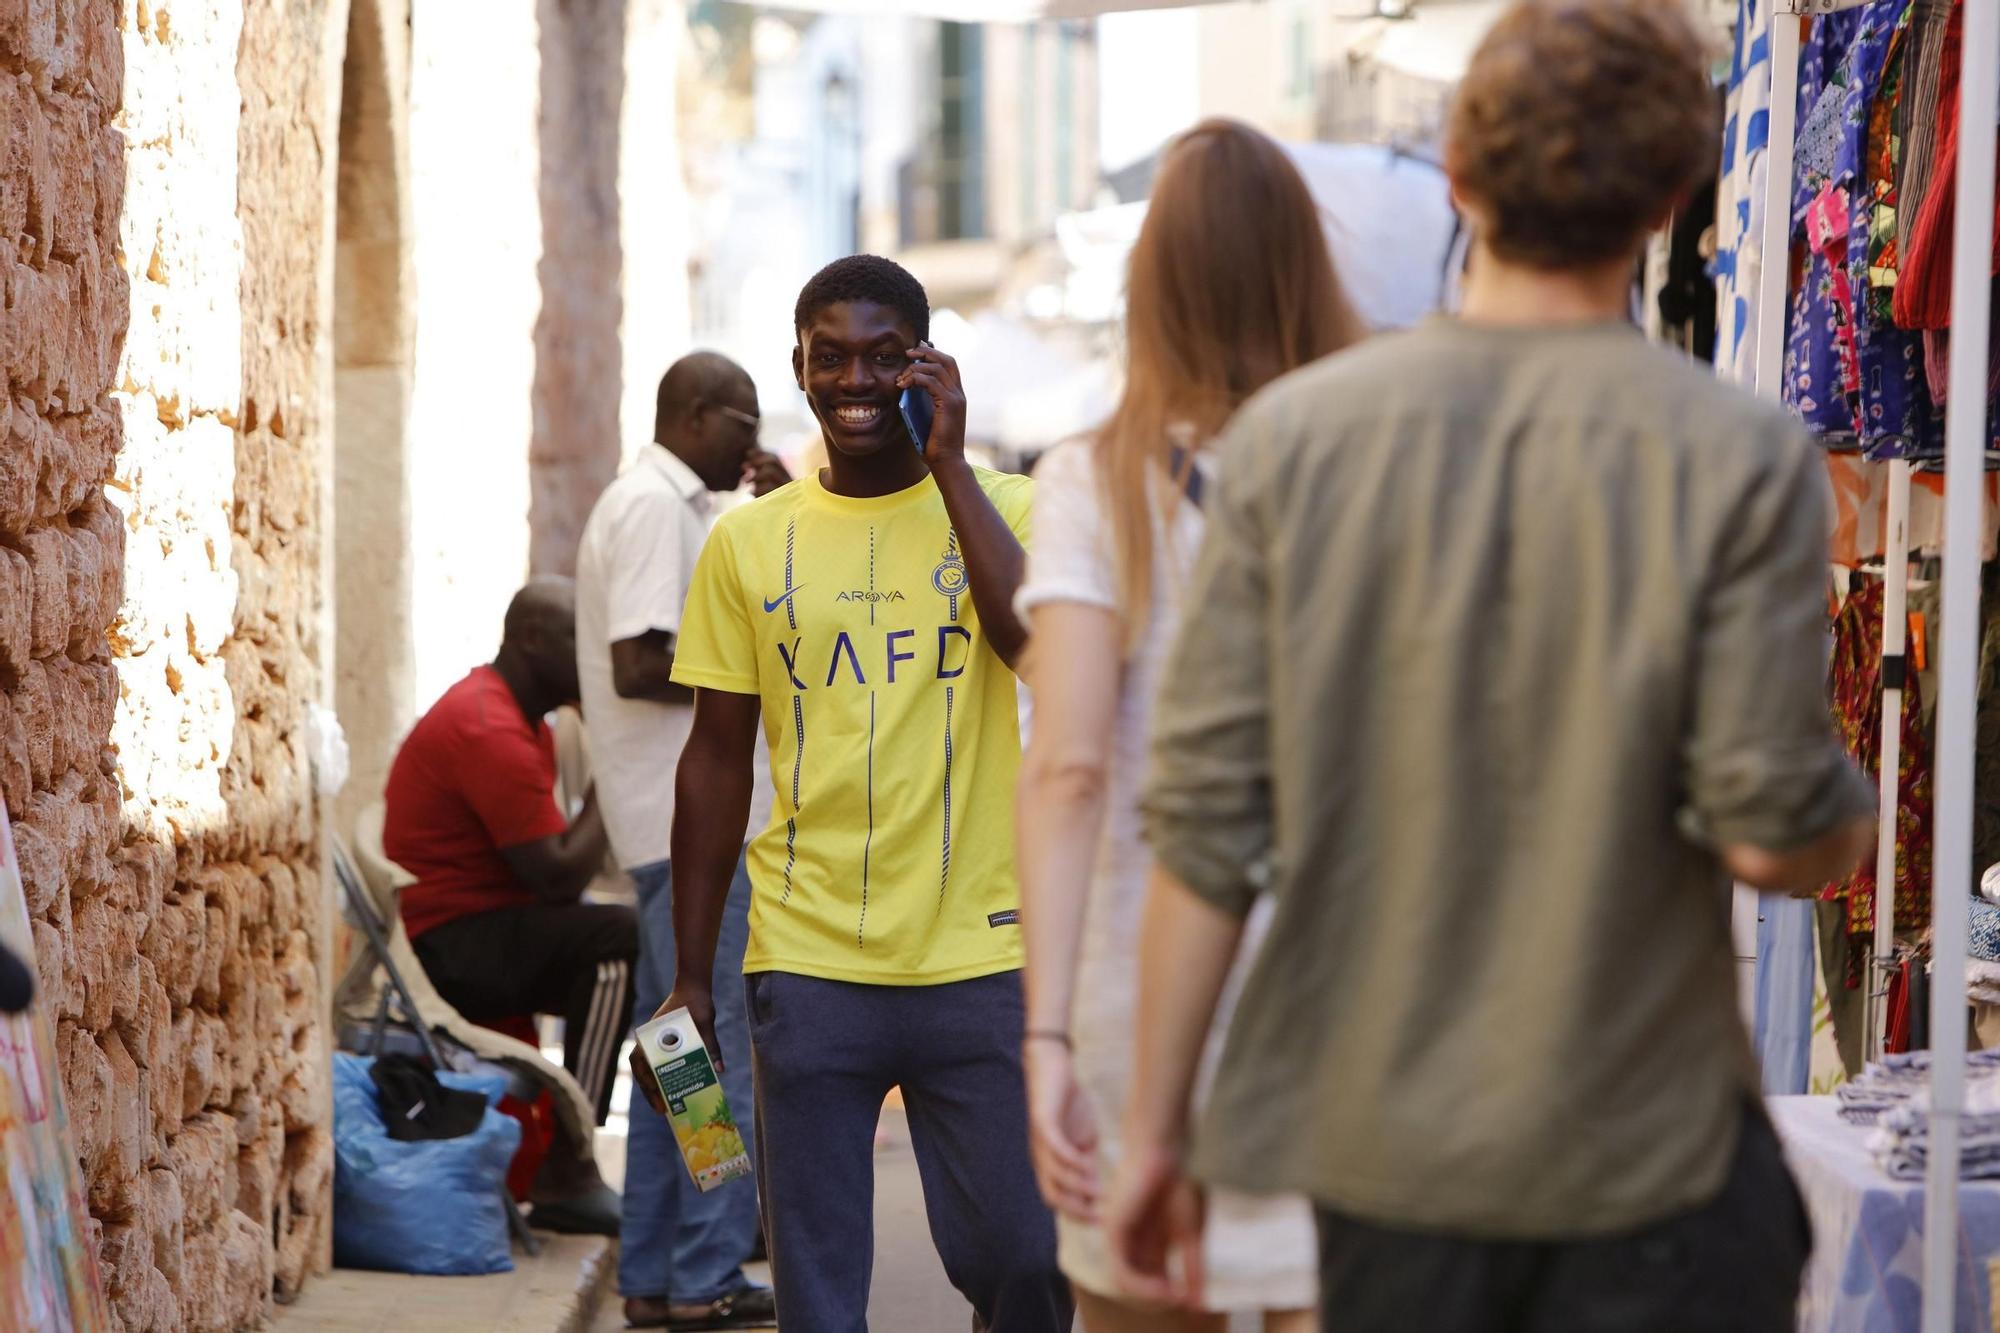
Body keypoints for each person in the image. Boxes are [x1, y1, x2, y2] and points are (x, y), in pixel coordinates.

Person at [1108, 4, 1877, 1331]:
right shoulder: (1737, 451)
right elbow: (1771, 839)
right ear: (1673, 198)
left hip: (1397, 1172)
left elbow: (1206, 832)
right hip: (1655, 1160)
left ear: (1459, 177)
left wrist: (1156, 1131)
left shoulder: (1298, 444)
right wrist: (1847, 813)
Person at [632, 254, 1072, 1333]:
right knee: (817, 1294)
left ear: (927, 364)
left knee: (1024, 1256)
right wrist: (691, 973)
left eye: (886, 356)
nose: (856, 380)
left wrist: (953, 467)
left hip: (981, 953)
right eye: (831, 358)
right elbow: (714, 759)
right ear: (799, 367)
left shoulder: (1010, 506)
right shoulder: (746, 542)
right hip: (808, 959)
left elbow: (1034, 645)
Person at [1013, 118, 1360, 1333]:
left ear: (1152, 282)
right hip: (1349, 1005)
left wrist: (1044, 1035)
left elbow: (1064, 769)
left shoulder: (1093, 483)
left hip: (1135, 994)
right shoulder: (1371, 467)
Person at [575, 352, 788, 1330]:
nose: (753, 438)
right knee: (703, 1049)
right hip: (683, 821)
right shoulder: (654, 504)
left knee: (672, 1050)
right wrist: (747, 673)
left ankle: (657, 1273)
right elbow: (637, 660)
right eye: (741, 420)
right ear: (695, 413)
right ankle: (702, 1269)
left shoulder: (676, 502)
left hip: (668, 820)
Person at [382, 576, 633, 1234]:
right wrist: (619, 774)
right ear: (528, 640)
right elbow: (554, 875)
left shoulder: (522, 719)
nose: (591, 659)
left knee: (650, 966)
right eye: (577, 641)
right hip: (450, 946)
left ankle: (708, 1182)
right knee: (623, 946)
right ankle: (573, 1165)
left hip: (481, 929)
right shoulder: (488, 724)